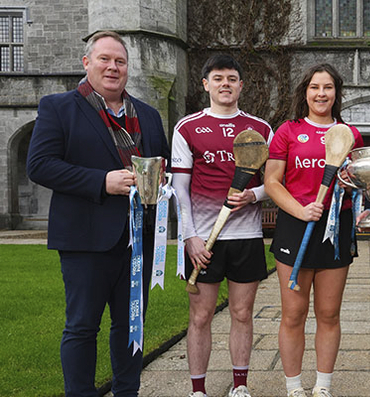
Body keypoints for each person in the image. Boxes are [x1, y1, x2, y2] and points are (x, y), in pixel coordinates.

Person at [26, 31, 170, 396]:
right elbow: (40, 165)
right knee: (82, 327)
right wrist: (101, 181)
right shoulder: (58, 106)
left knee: (130, 325)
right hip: (85, 239)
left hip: (138, 241)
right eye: (104, 59)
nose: (113, 67)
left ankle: (127, 392)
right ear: (87, 63)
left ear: (127, 68)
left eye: (120, 61)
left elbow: (159, 169)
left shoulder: (148, 116)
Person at [171, 54, 273, 397]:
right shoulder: (186, 127)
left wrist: (253, 196)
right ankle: (198, 390)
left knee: (242, 313)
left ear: (241, 85)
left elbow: (275, 181)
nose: (225, 84)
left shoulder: (260, 129)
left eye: (231, 78)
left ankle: (240, 386)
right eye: (218, 78)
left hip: (246, 235)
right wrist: (190, 236)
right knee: (200, 316)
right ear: (206, 84)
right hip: (204, 241)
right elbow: (180, 190)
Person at [264, 63, 364, 397]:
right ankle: (294, 387)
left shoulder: (350, 134)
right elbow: (272, 182)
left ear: (337, 93)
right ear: (304, 92)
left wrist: (352, 185)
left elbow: (359, 184)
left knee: (329, 312)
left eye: (328, 88)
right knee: (293, 313)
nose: (321, 94)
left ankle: (323, 386)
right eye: (314, 87)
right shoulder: (288, 131)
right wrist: (301, 210)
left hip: (336, 226)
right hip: (296, 224)